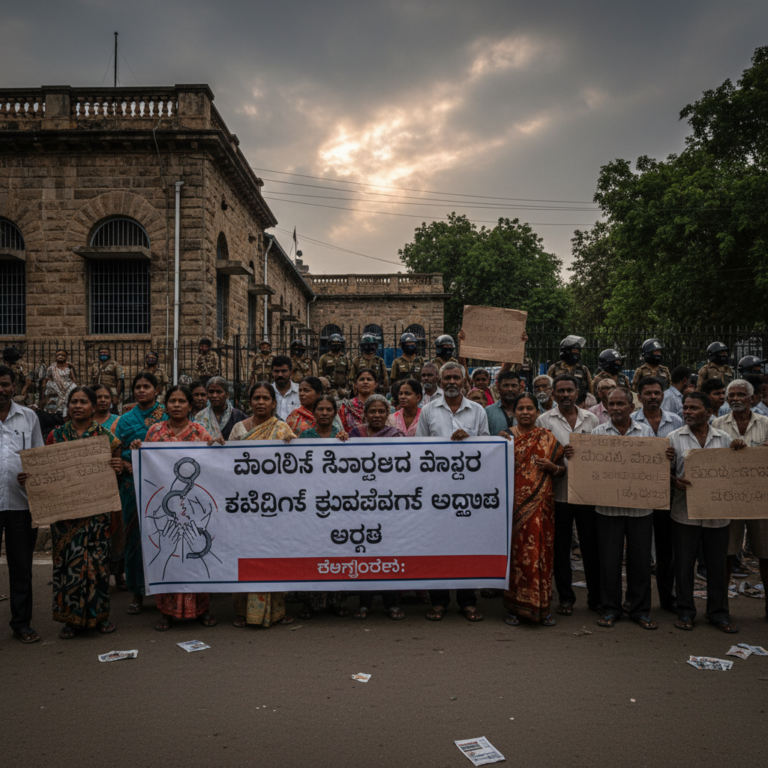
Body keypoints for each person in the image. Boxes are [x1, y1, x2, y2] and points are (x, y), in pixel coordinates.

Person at [24, 387, 122, 639]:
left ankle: (100, 617)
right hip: (65, 518)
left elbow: (115, 473)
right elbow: (45, 472)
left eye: (83, 402)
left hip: (97, 515)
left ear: (93, 406)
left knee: (97, 565)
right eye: (73, 402)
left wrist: (118, 465)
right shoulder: (56, 436)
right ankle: (70, 619)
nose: (78, 406)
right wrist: (29, 477)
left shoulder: (105, 437)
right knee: (67, 565)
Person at [131, 384, 218, 631]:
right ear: (165, 405)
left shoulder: (200, 432)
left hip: (193, 511)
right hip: (165, 508)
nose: (177, 405)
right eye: (172, 401)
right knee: (167, 556)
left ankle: (202, 610)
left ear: (191, 406)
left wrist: (218, 447)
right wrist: (138, 449)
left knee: (196, 557)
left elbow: (213, 468)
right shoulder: (154, 433)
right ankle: (166, 612)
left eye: (182, 401)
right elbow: (147, 469)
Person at [416, 361, 490, 621]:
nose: (450, 382)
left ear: (464, 381)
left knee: (466, 544)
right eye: (446, 377)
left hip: (467, 492)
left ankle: (468, 601)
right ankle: (439, 602)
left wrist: (470, 444)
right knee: (437, 545)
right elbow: (420, 452)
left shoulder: (477, 411)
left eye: (455, 378)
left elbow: (487, 449)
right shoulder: (428, 411)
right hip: (437, 491)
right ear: (438, 380)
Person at [592, 388, 669, 630]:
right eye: (611, 404)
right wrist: (575, 455)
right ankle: (611, 609)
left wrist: (666, 456)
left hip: (640, 510)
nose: (615, 408)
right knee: (609, 562)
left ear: (631, 407)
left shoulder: (646, 432)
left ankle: (640, 610)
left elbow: (655, 466)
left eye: (620, 404)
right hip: (607, 510)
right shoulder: (597, 433)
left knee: (640, 561)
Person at [669, 391, 745, 633]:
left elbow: (737, 474)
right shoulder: (673, 438)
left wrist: (740, 450)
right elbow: (661, 473)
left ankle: (718, 613)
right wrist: (674, 481)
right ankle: (685, 611)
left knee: (717, 565)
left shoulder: (725, 439)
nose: (687, 412)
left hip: (717, 515)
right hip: (684, 512)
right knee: (684, 564)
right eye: (685, 407)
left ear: (709, 413)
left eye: (694, 408)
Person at [229, 382, 295, 627]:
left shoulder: (283, 428)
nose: (260, 402)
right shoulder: (238, 429)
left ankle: (277, 610)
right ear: (249, 402)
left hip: (276, 505)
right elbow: (227, 465)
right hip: (246, 504)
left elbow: (298, 462)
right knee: (247, 553)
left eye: (265, 398)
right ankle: (244, 611)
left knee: (275, 554)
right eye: (256, 398)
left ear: (274, 403)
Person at [498, 392, 565, 627]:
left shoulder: (547, 437)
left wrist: (553, 467)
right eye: (521, 408)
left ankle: (542, 607)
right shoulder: (504, 438)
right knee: (517, 555)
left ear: (537, 412)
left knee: (542, 554)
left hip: (542, 506)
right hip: (514, 508)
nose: (525, 412)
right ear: (513, 412)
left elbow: (564, 468)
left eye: (530, 408)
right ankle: (515, 607)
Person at [536, 374, 601, 616]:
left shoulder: (591, 419)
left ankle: (595, 598)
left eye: (569, 391)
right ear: (553, 394)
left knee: (591, 548)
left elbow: (601, 453)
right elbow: (540, 455)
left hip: (587, 494)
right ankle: (566, 597)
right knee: (560, 549)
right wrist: (559, 457)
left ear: (577, 393)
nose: (565, 395)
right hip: (558, 495)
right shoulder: (544, 419)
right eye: (560, 391)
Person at [345, 394, 406, 619]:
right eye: (373, 411)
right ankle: (364, 603)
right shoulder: (355, 434)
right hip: (360, 502)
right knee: (363, 551)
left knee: (387, 551)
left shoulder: (397, 435)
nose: (377, 415)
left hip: (389, 502)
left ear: (387, 414)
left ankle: (391, 603)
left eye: (382, 411)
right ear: (365, 414)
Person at [712, 379, 768, 619]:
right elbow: (709, 459)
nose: (736, 399)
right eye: (731, 395)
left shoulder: (766, 423)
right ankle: (721, 607)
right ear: (726, 399)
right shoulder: (717, 424)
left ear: (752, 399)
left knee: (765, 553)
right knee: (726, 552)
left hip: (760, 498)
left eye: (741, 395)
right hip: (729, 497)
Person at [114, 372, 167, 615]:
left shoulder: (167, 415)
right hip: (132, 485)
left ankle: (166, 591)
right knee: (134, 538)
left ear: (156, 390)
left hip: (163, 486)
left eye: (146, 386)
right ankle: (137, 593)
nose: (141, 390)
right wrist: (125, 464)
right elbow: (117, 452)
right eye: (137, 387)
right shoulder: (124, 420)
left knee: (164, 537)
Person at [631, 376, 684, 612]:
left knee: (666, 550)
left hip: (667, 494)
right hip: (636, 495)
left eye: (657, 393)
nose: (653, 397)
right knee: (638, 551)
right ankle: (637, 599)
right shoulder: (629, 421)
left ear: (663, 395)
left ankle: (667, 597)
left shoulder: (677, 422)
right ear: (639, 396)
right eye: (648, 393)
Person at [1, 364, 45, 643]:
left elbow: (39, 457)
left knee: (21, 567)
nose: (1, 389)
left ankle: (21, 624)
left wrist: (33, 472)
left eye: (5, 384)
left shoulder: (28, 417)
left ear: (14, 387)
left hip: (21, 505)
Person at [92, 383, 124, 588]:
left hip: (114, 482)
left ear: (113, 400)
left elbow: (122, 446)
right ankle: (97, 573)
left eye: (106, 397)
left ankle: (119, 574)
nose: (103, 400)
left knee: (116, 528)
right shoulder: (84, 422)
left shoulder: (119, 422)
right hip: (90, 484)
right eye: (98, 397)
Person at [338, 368, 381, 434]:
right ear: (356, 385)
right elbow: (339, 431)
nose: (365, 382)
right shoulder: (345, 407)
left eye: (369, 379)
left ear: (376, 384)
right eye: (361, 379)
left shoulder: (383, 407)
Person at [42, 349, 78, 417]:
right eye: (58, 355)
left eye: (62, 355)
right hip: (56, 388)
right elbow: (47, 377)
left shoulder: (70, 367)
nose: (60, 356)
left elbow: (73, 378)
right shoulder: (52, 368)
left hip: (68, 387)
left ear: (66, 357)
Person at [90, 346, 124, 412]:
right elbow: (93, 381)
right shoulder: (95, 365)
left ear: (109, 354)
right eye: (101, 352)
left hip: (112, 390)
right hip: (99, 390)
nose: (103, 354)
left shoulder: (115, 364)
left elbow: (120, 380)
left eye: (105, 352)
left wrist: (117, 395)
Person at [318, 334, 351, 398]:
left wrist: (346, 388)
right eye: (333, 343)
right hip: (329, 390)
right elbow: (320, 373)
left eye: (338, 343)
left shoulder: (345, 358)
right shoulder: (324, 357)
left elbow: (349, 373)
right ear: (330, 344)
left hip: (342, 389)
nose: (335, 345)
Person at [272, 355, 300, 421]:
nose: (280, 375)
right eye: (276, 371)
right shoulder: (267, 392)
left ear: (291, 373)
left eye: (284, 371)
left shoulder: (300, 392)